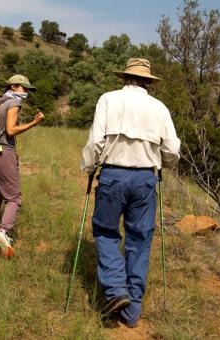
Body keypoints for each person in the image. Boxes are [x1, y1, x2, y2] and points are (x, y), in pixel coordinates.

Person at [80, 58, 180, 327]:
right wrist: (163, 164)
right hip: (146, 178)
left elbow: (95, 141)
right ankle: (131, 311)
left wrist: (89, 167)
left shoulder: (108, 99)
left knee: (105, 231)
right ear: (148, 81)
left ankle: (115, 290)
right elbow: (171, 150)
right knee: (140, 238)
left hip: (113, 175)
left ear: (124, 78)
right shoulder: (159, 107)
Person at [0, 74, 44, 258]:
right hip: (4, 153)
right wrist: (34, 123)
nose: (26, 92)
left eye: (27, 90)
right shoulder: (13, 103)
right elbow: (10, 130)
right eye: (24, 88)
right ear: (13, 86)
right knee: (14, 198)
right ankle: (3, 231)